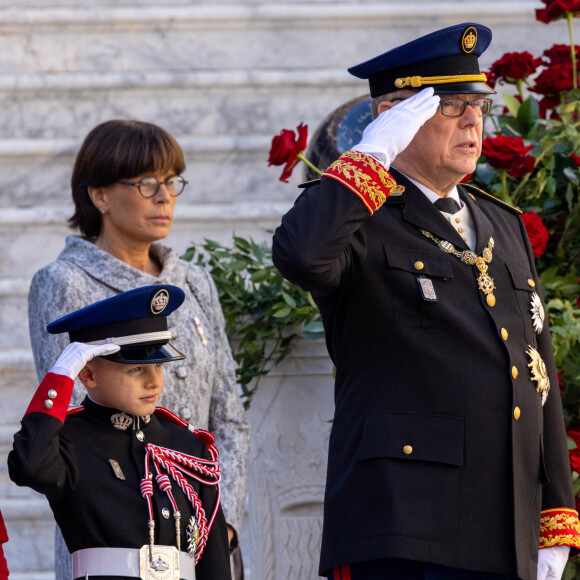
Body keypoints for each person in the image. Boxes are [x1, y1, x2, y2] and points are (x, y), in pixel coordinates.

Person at [272, 22, 580, 580]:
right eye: (449, 105)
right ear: (395, 116)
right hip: (405, 526)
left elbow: (537, 368)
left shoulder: (501, 223)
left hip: (506, 528)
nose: (472, 119)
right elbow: (301, 256)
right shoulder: (356, 219)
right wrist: (374, 152)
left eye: (478, 104)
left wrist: (556, 512)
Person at [27, 120, 249, 579]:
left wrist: (219, 524)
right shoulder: (64, 281)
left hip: (201, 533)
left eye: (171, 181)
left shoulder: (193, 281)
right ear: (99, 195)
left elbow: (227, 413)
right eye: (147, 183)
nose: (164, 195)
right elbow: (68, 419)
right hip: (111, 543)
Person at [9, 285, 231, 579]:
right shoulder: (67, 439)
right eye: (136, 369)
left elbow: (213, 560)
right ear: (88, 374)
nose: (153, 382)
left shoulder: (187, 444)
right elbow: (29, 466)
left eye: (159, 366)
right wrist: (60, 375)